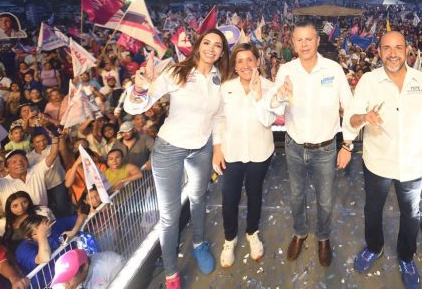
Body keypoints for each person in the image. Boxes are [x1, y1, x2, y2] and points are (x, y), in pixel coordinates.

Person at [124, 29, 229, 289]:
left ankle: (198, 243)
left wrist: (217, 147)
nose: (211, 49)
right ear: (197, 45)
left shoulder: (219, 78)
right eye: (207, 43)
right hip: (170, 149)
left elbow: (217, 116)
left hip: (202, 148)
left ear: (222, 52)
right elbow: (137, 105)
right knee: (169, 216)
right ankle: (171, 273)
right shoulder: (176, 72)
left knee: (198, 198)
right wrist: (140, 87)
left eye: (217, 45)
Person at [345, 31, 422, 289]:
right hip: (377, 162)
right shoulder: (369, 80)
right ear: (378, 51)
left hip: (412, 165)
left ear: (408, 49)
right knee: (372, 210)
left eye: (398, 47)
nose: (393, 53)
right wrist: (365, 117)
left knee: (410, 214)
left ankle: (406, 257)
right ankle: (374, 247)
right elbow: (351, 119)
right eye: (386, 48)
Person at [265, 20, 353, 268]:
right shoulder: (286, 70)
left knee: (325, 199)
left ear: (317, 41)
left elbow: (350, 105)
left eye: (309, 39)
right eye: (299, 40)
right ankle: (300, 232)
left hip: (326, 149)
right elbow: (274, 104)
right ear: (293, 43)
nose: (304, 44)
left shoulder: (333, 69)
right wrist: (278, 97)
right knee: (296, 196)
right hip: (294, 147)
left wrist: (347, 145)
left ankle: (323, 237)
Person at [212, 43, 277, 267]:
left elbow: (269, 120)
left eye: (250, 59)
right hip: (231, 153)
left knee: (255, 194)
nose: (245, 65)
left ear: (257, 61)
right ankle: (230, 239)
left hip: (260, 152)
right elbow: (218, 119)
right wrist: (217, 147)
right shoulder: (225, 87)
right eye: (240, 61)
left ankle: (252, 232)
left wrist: (259, 97)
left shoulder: (270, 87)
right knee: (229, 197)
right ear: (235, 66)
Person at [0, 131, 66, 209]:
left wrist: (54, 140)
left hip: (43, 218)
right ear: (6, 167)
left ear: (27, 162)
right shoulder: (2, 182)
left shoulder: (37, 170)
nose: (19, 163)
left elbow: (52, 155)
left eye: (22, 160)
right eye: (13, 162)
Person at [49, 248, 125, 289]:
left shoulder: (111, 263)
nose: (65, 283)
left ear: (85, 265)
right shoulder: (59, 285)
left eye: (69, 277)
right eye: (62, 278)